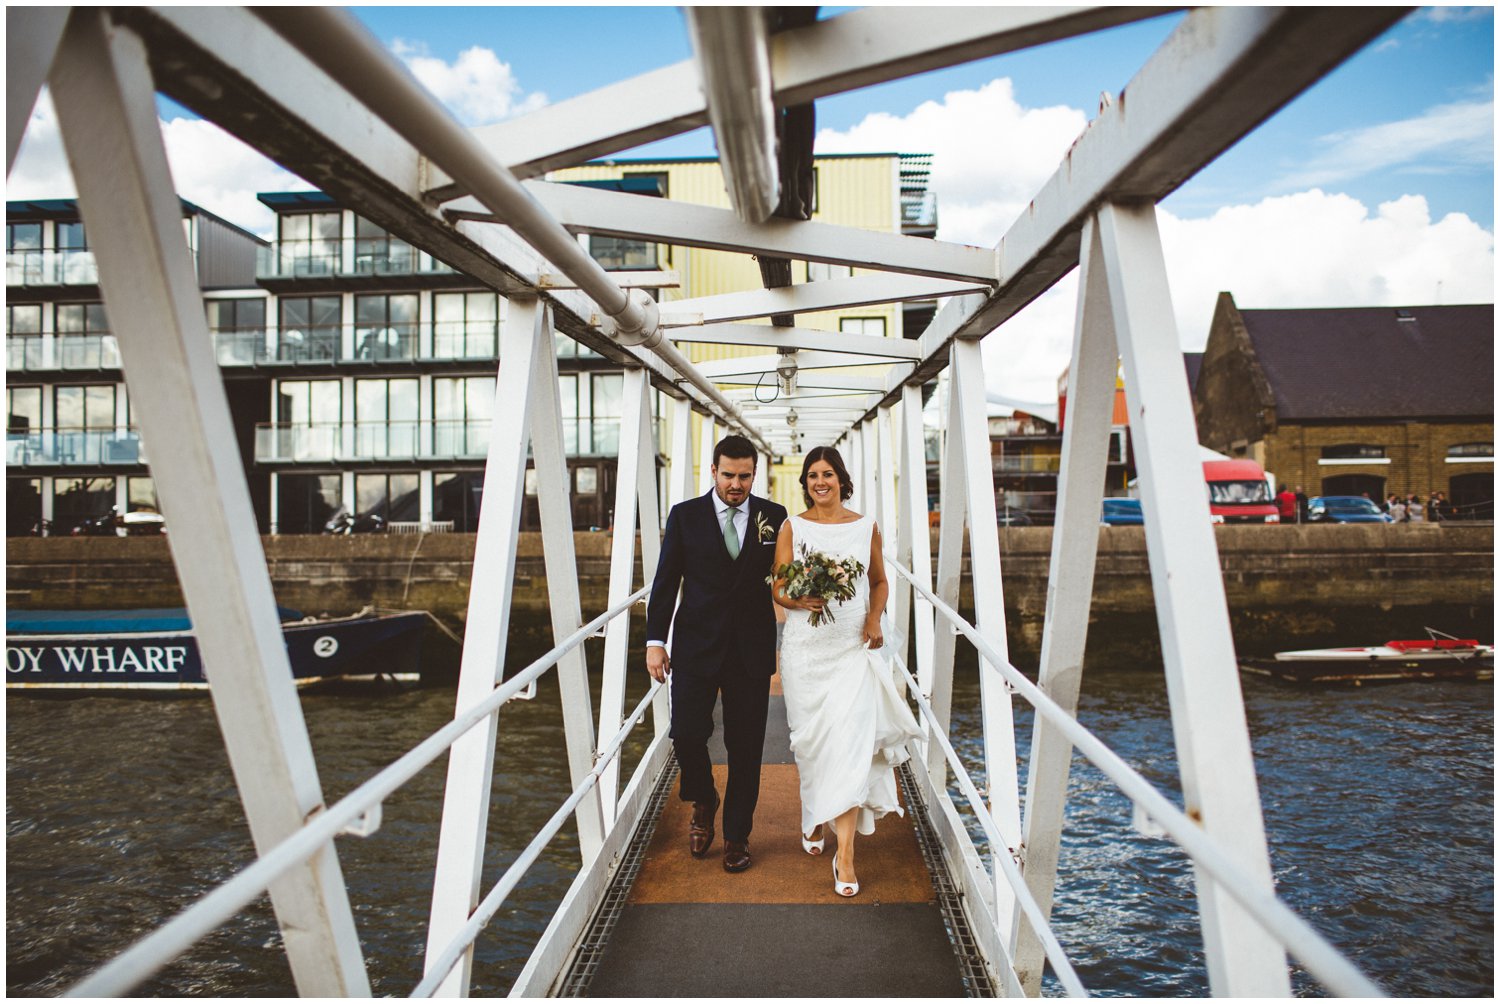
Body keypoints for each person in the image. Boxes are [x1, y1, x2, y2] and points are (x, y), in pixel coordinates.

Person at [772, 446, 922, 898]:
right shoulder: (791, 526)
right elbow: (779, 585)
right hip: (805, 652)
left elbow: (879, 580)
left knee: (851, 745)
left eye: (829, 474)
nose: (821, 482)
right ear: (806, 482)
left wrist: (875, 619)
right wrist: (799, 599)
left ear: (842, 479)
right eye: (813, 475)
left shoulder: (864, 526)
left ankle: (847, 854)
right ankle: (814, 814)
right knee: (812, 745)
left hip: (850, 649)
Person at [645, 435, 788, 873]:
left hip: (750, 649)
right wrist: (655, 641)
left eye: (745, 476)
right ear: (713, 471)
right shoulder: (685, 517)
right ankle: (703, 798)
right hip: (695, 646)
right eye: (728, 475)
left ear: (754, 475)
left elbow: (786, 577)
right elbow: (666, 583)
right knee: (687, 733)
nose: (736, 484)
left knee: (745, 747)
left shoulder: (774, 517)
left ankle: (736, 836)